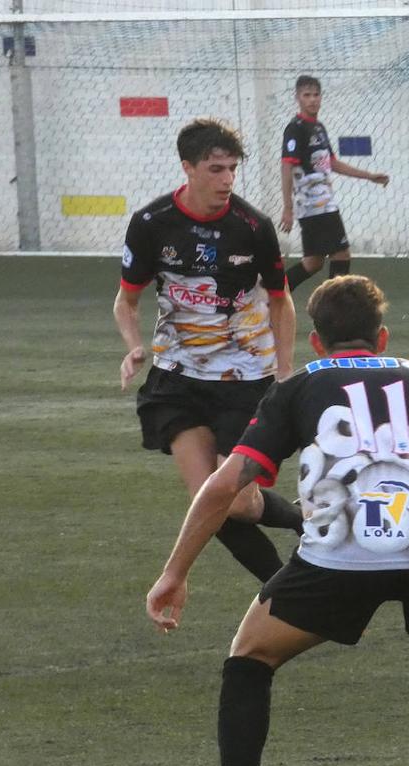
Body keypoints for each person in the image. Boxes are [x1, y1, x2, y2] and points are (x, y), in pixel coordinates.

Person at [146, 275, 409, 766]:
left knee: (249, 658)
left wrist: (174, 575)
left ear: (316, 343)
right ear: (383, 337)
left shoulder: (299, 387)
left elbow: (222, 489)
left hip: (338, 557)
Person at [114, 117, 304, 584]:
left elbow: (281, 302)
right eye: (216, 169)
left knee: (240, 502)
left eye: (232, 169)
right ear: (188, 168)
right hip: (177, 378)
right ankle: (283, 592)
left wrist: (284, 373)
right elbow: (127, 299)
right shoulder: (151, 224)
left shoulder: (253, 227)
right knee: (209, 501)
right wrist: (135, 347)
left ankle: (304, 521)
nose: (227, 180)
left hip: (245, 378)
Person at [279, 75, 390, 292]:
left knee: (313, 262)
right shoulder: (296, 128)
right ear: (297, 98)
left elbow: (331, 163)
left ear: (321, 97)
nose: (312, 100)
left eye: (316, 94)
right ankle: (336, 309)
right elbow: (286, 166)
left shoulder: (318, 127)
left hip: (323, 203)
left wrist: (368, 176)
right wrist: (287, 207)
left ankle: (270, 295)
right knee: (341, 254)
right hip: (313, 205)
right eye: (306, 95)